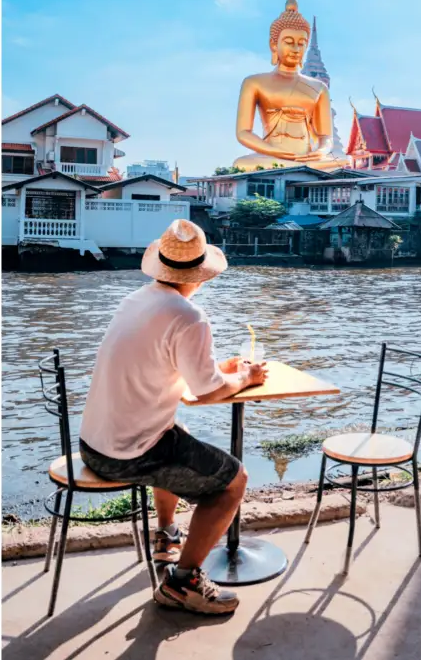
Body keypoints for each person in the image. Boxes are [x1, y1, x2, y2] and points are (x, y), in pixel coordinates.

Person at [79, 219, 267, 615]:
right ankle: (183, 584)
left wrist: (218, 370)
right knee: (234, 482)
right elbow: (209, 391)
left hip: (93, 444)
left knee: (175, 432)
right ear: (201, 275)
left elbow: (162, 366)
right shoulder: (188, 315)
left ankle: (167, 534)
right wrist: (245, 376)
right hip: (127, 454)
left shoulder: (135, 301)